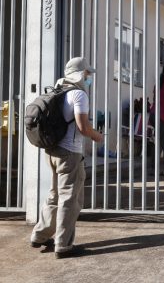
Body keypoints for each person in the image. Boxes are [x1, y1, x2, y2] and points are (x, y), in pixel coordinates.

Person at [30, 57, 104, 258]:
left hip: (52, 151)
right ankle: (63, 245)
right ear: (81, 74)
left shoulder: (57, 90)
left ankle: (39, 235)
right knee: (70, 200)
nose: (89, 78)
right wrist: (98, 136)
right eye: (87, 74)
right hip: (69, 154)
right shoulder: (79, 95)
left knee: (54, 195)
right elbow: (83, 127)